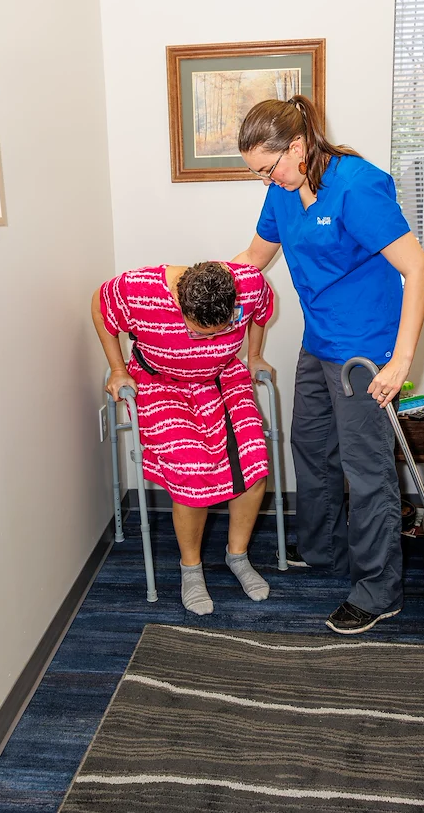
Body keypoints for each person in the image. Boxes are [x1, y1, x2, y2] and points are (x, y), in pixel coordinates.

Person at [234, 95, 424, 635]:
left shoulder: (356, 186)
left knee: (365, 471)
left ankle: (378, 589)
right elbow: (251, 261)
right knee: (310, 444)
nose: (266, 181)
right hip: (318, 340)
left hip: (367, 350)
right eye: (258, 173)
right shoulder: (281, 191)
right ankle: (322, 548)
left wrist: (401, 362)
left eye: (268, 168)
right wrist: (200, 290)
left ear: (297, 147)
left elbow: (418, 269)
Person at [92, 261, 274, 616]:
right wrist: (117, 369)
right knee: (193, 472)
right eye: (200, 334)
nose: (211, 340)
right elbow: (100, 307)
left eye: (219, 333)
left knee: (254, 463)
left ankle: (237, 556)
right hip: (161, 384)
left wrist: (252, 356)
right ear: (179, 305)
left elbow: (262, 311)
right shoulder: (138, 289)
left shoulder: (249, 283)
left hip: (223, 379)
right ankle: (190, 570)